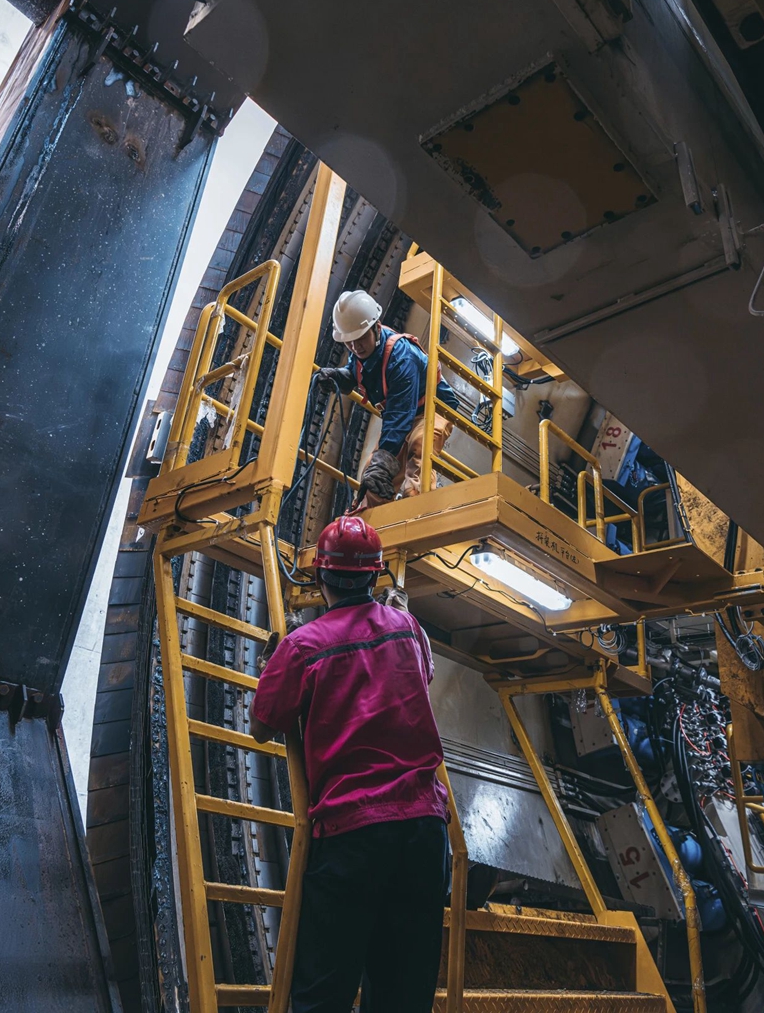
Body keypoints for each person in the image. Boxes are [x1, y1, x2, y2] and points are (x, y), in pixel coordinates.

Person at [249, 515, 450, 1013]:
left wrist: (273, 667)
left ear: (320, 577)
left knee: (324, 992)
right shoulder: (407, 629)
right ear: (375, 575)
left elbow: (262, 725)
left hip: (351, 838)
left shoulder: (304, 646)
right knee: (403, 995)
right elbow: (422, 673)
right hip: (425, 834)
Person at [316, 289, 459, 508]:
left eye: (360, 338)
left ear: (376, 326)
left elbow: (399, 416)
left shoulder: (402, 356)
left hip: (434, 408)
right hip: (404, 414)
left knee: (419, 447)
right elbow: (355, 373)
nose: (355, 347)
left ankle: (418, 505)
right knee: (371, 476)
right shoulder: (362, 350)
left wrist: (383, 465)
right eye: (349, 342)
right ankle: (365, 522)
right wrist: (339, 377)